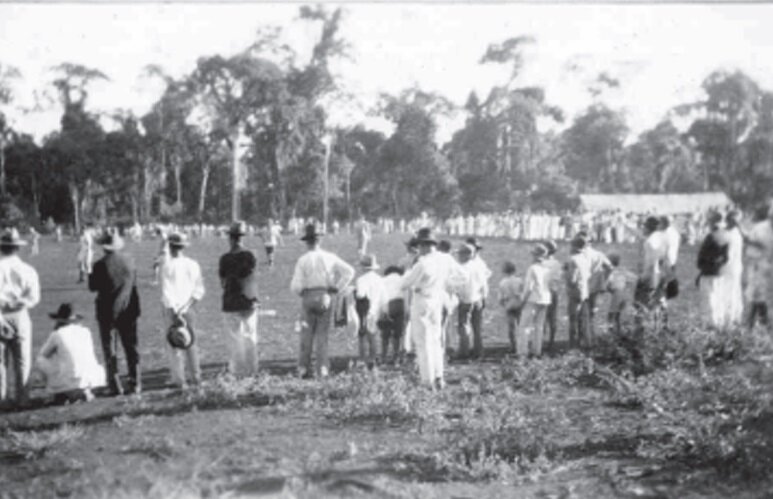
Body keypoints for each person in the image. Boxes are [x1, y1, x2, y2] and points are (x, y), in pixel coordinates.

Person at [290, 224, 355, 379]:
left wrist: (301, 292)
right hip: (325, 295)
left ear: (307, 242)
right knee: (322, 335)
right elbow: (349, 272)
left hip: (308, 295)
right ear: (319, 240)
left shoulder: (303, 259)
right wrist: (336, 288)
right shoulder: (329, 257)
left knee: (306, 335)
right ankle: (322, 369)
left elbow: (295, 284)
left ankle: (303, 369)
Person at [89, 232, 141, 396]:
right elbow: (133, 283)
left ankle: (115, 385)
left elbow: (92, 287)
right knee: (131, 348)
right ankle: (136, 382)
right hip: (128, 309)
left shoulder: (99, 265)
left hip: (107, 312)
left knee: (110, 350)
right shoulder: (130, 261)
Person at [401, 228, 447, 389]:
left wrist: (410, 276)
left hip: (422, 300)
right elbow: (458, 277)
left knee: (422, 342)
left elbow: (404, 284)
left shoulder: (422, 263)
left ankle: (427, 380)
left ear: (423, 246)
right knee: (435, 340)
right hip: (437, 298)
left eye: (419, 245)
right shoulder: (444, 260)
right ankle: (439, 376)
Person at [33, 303, 105, 404]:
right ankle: (83, 390)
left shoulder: (57, 334)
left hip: (70, 377)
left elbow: (43, 354)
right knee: (72, 358)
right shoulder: (86, 331)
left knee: (40, 360)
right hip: (92, 378)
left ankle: (61, 391)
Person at [0, 228, 41, 405]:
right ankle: (22, 398)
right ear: (17, 248)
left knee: (1, 361)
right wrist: (18, 302)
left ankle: (1, 398)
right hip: (20, 313)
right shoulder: (27, 269)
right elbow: (34, 297)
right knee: (22, 359)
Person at [160, 232, 205, 388]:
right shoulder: (193, 264)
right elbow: (199, 291)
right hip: (189, 308)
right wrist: (186, 307)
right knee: (191, 342)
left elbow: (167, 291)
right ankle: (196, 375)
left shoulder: (166, 265)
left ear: (170, 246)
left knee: (174, 344)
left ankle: (179, 378)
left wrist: (175, 311)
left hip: (172, 309)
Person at [219, 221, 260, 377]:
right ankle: (252, 370)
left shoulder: (224, 259)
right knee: (250, 337)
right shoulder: (250, 256)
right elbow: (253, 279)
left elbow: (222, 282)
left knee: (234, 339)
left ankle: (237, 371)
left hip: (230, 302)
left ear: (230, 238)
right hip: (249, 301)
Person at [697, 212, 730, 329]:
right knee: (718, 297)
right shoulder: (726, 235)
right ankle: (718, 321)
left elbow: (702, 255)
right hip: (719, 271)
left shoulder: (711, 236)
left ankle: (710, 324)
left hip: (708, 271)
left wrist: (702, 266)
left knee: (709, 298)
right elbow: (726, 257)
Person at [634, 217, 668, 328]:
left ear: (649, 228)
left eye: (644, 226)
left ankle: (645, 327)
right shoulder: (661, 238)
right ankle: (661, 325)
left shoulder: (650, 241)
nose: (643, 228)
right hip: (660, 272)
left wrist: (644, 276)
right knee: (659, 299)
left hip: (651, 274)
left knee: (644, 301)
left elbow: (651, 261)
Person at [519, 244, 552, 358]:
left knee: (524, 326)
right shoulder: (548, 267)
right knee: (539, 325)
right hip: (545, 298)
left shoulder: (532, 268)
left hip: (533, 298)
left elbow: (529, 287)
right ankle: (537, 350)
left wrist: (522, 301)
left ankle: (523, 351)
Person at [744, 206, 773, 328]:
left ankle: (765, 323)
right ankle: (753, 322)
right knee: (757, 295)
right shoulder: (759, 229)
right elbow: (750, 249)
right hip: (759, 266)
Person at [353, 254, 383, 369]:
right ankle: (373, 358)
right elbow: (383, 296)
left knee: (362, 335)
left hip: (364, 308)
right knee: (373, 334)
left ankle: (362, 359)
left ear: (363, 267)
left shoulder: (361, 280)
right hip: (376, 309)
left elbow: (361, 295)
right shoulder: (379, 279)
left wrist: (353, 292)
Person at [564, 237, 591, 349]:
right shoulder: (585, 258)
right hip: (584, 290)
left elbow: (572, 279)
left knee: (573, 318)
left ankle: (573, 344)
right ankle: (581, 342)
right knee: (581, 318)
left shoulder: (573, 259)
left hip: (575, 291)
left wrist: (565, 273)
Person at [378, 265, 406, 364]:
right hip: (400, 303)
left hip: (388, 304)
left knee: (385, 333)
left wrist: (381, 312)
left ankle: (384, 356)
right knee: (397, 333)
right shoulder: (402, 278)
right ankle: (396, 356)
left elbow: (380, 296)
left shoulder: (383, 280)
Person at [606, 254, 637, 335]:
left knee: (611, 314)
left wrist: (609, 288)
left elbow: (608, 283)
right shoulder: (622, 270)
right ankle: (619, 329)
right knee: (618, 313)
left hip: (617, 293)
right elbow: (634, 278)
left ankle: (611, 330)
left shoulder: (610, 271)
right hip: (624, 293)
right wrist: (628, 287)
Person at [498, 261, 524, 355]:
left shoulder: (503, 282)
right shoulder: (519, 280)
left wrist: (503, 304)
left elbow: (500, 298)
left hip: (509, 304)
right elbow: (522, 293)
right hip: (519, 304)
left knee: (511, 327)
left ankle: (513, 345)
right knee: (521, 325)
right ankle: (521, 344)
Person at [724, 211, 744, 326]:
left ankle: (730, 318)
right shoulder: (735, 233)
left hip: (730, 267)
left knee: (730, 292)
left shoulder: (732, 235)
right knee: (735, 291)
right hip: (735, 266)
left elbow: (728, 255)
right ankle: (736, 316)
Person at [542, 240, 562, 351]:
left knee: (543, 317)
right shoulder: (557, 263)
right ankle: (551, 341)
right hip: (554, 291)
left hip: (544, 290)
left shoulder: (542, 263)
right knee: (552, 317)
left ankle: (541, 340)